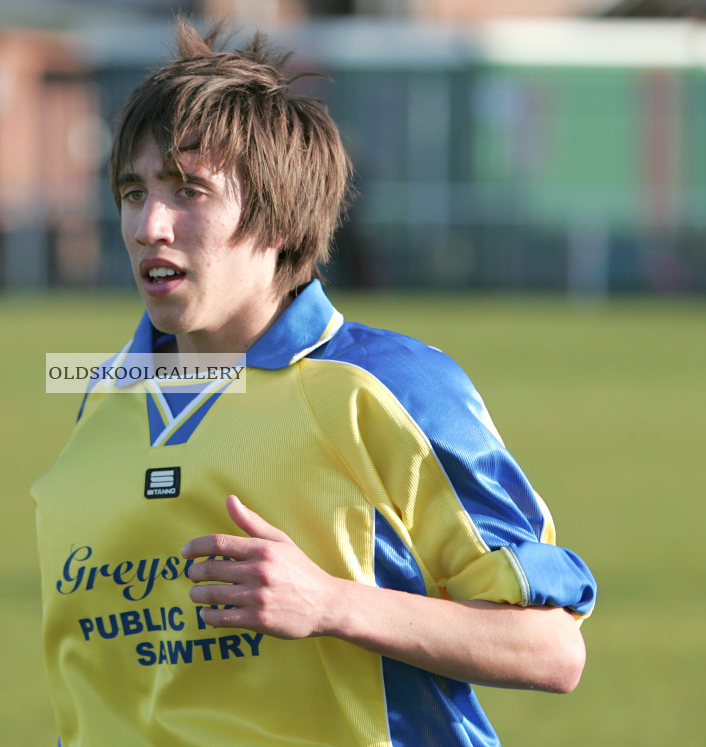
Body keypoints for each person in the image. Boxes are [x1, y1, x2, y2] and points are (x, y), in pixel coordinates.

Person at [32, 19, 596, 746]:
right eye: (133, 192)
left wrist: (332, 603)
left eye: (188, 192)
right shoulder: (105, 394)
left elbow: (552, 647)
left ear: (279, 222)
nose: (150, 226)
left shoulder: (387, 387)